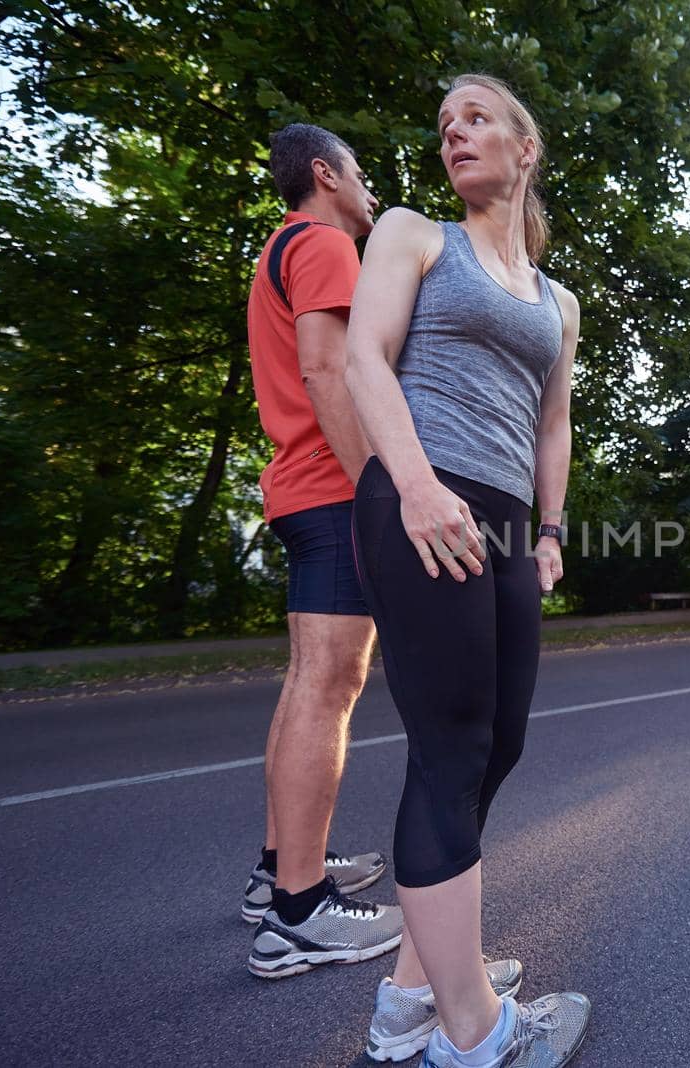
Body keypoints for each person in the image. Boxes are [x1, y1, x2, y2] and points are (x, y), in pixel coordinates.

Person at [345, 74, 591, 1067]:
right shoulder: (410, 233)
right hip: (419, 499)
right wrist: (411, 486)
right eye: (445, 124)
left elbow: (553, 419)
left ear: (523, 149)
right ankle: (474, 1035)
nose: (455, 132)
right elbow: (365, 357)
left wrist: (551, 529)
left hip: (497, 521)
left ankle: (412, 995)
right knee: (449, 751)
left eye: (476, 116)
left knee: (498, 750)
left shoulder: (558, 301)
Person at [240, 123, 403, 979]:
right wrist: (379, 488)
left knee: (309, 681)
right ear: (323, 174)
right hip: (333, 490)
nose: (370, 188)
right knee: (331, 686)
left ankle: (279, 872)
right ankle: (302, 913)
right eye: (361, 172)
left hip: (298, 489)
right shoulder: (325, 242)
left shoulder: (281, 246)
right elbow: (327, 370)